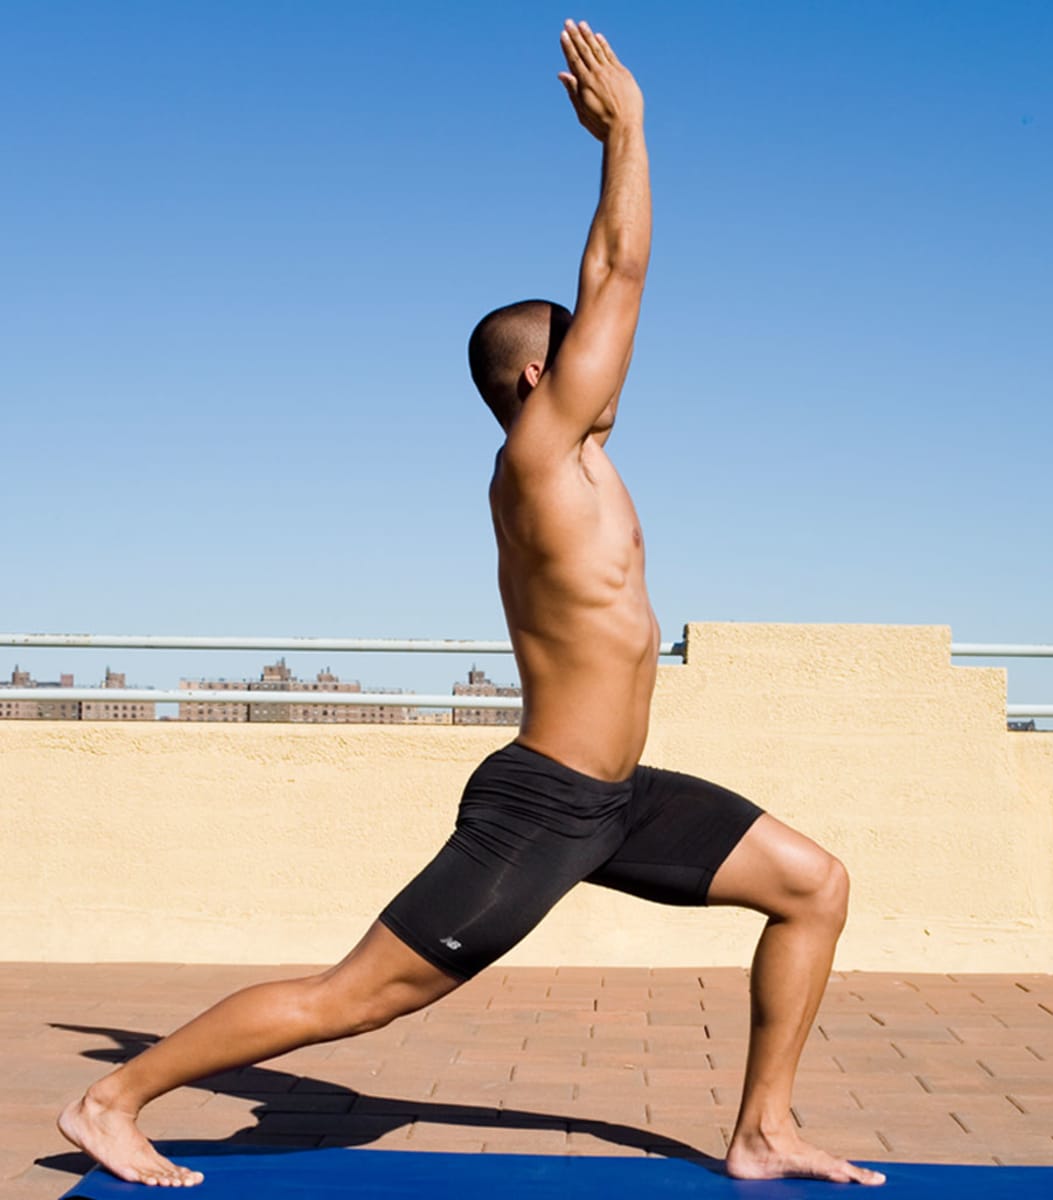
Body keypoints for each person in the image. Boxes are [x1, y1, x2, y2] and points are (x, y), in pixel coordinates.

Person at [58, 21, 885, 1189]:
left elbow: (607, 296)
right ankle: (112, 1100)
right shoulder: (542, 459)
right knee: (359, 997)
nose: (617, 356)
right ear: (539, 380)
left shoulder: (583, 466)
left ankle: (762, 1130)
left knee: (814, 885)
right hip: (545, 806)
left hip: (621, 798)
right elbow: (617, 271)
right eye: (587, 348)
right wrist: (630, 133)